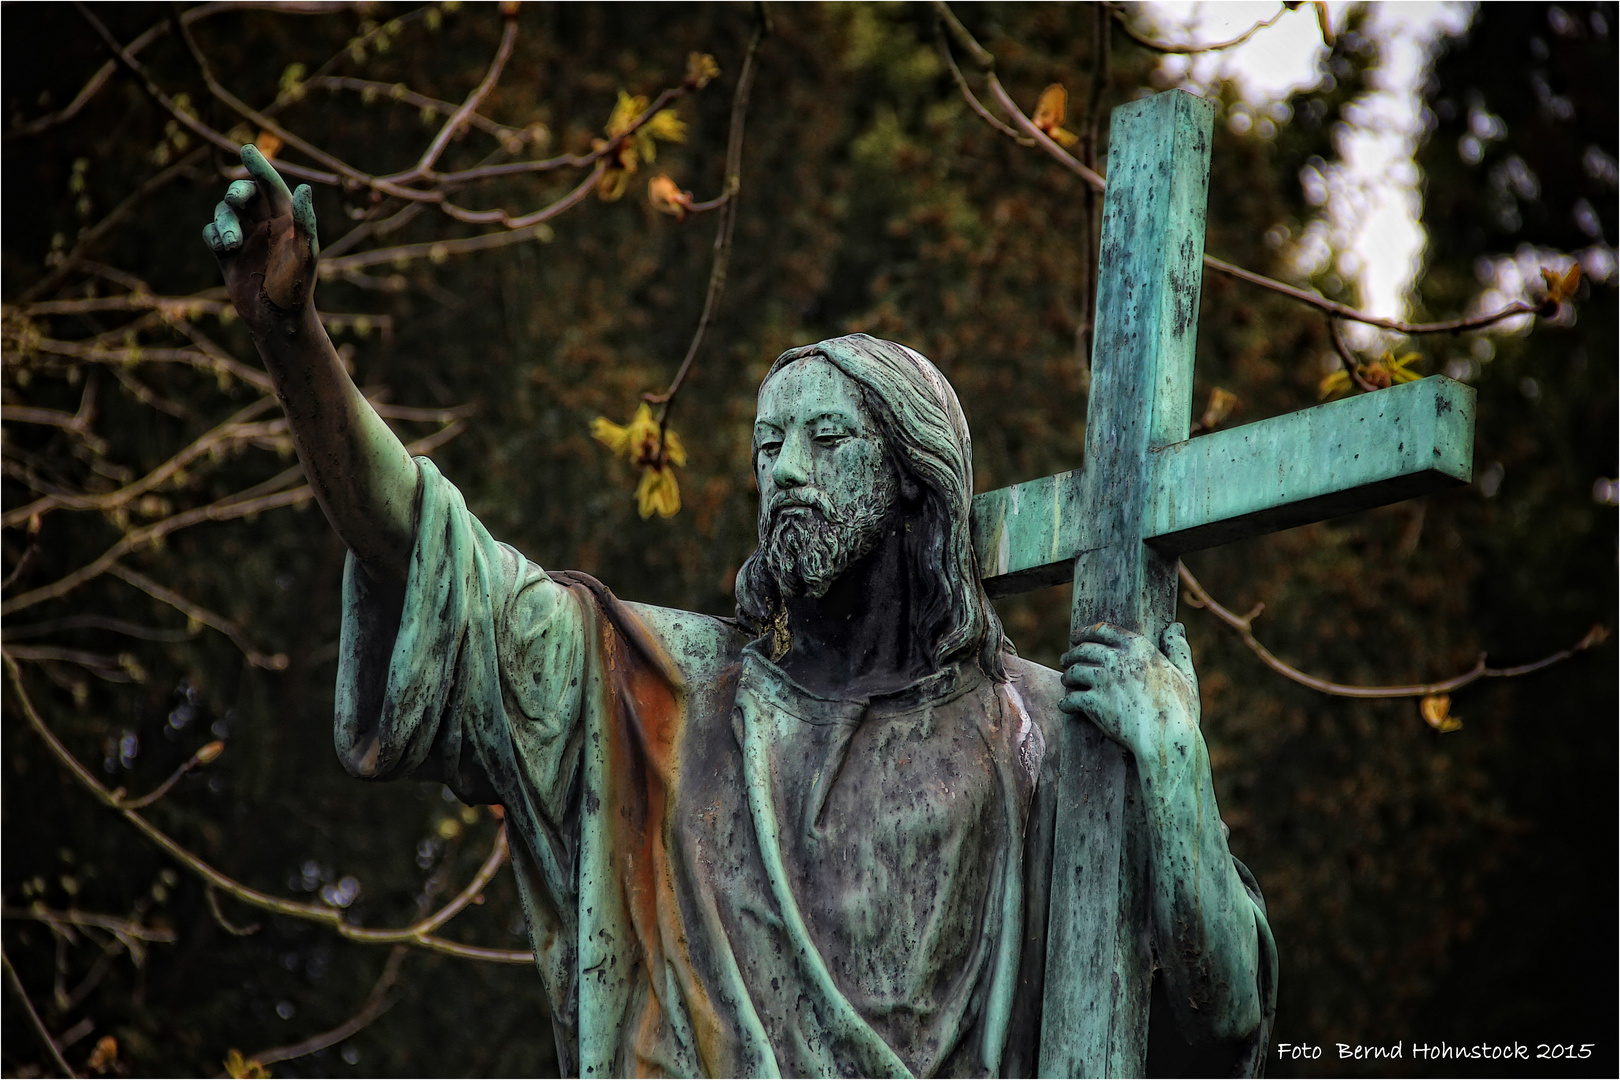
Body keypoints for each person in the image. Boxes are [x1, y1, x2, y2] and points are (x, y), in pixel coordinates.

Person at [204, 147, 1274, 1078]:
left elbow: (1225, 1020)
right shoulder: (662, 698)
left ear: (917, 477)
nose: (785, 474)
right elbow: (431, 553)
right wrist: (293, 341)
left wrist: (1175, 777)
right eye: (767, 448)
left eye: (826, 441)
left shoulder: (1048, 736)